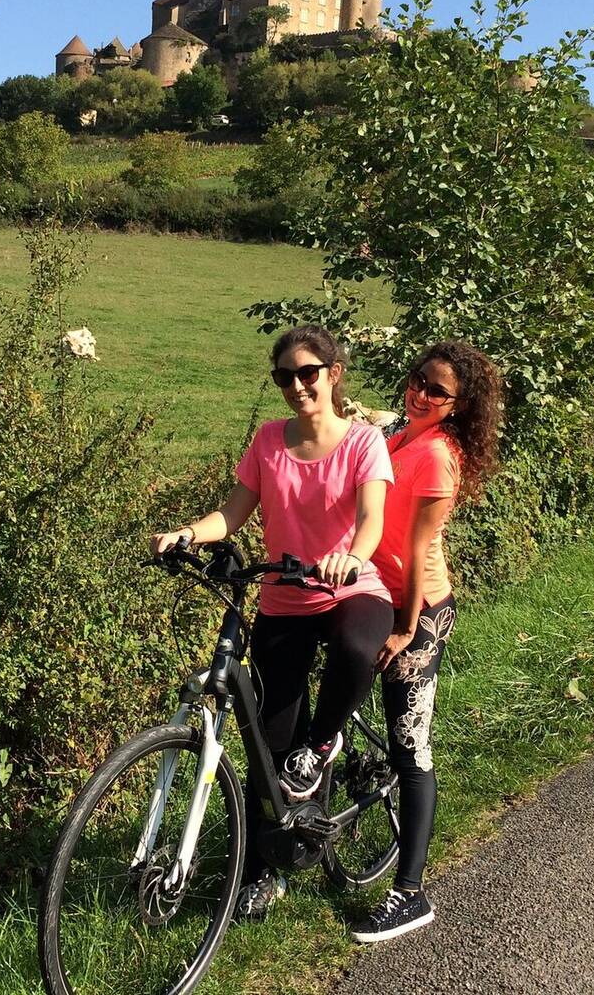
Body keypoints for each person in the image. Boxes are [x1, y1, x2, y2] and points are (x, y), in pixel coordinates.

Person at [151, 325, 396, 921]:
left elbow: (370, 521)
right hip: (283, 599)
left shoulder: (363, 442)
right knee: (269, 748)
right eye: (284, 376)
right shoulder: (267, 441)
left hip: (348, 588)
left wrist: (352, 557)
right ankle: (267, 871)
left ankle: (326, 741)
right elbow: (231, 514)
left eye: (307, 373)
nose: (296, 386)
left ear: (333, 375)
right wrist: (188, 532)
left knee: (357, 649)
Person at [348, 341, 503, 944]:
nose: (421, 394)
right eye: (418, 380)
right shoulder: (401, 435)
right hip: (374, 591)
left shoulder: (438, 454)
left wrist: (407, 628)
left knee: (411, 748)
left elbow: (416, 550)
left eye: (438, 391)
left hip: (419, 608)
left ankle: (410, 893)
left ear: (459, 405)